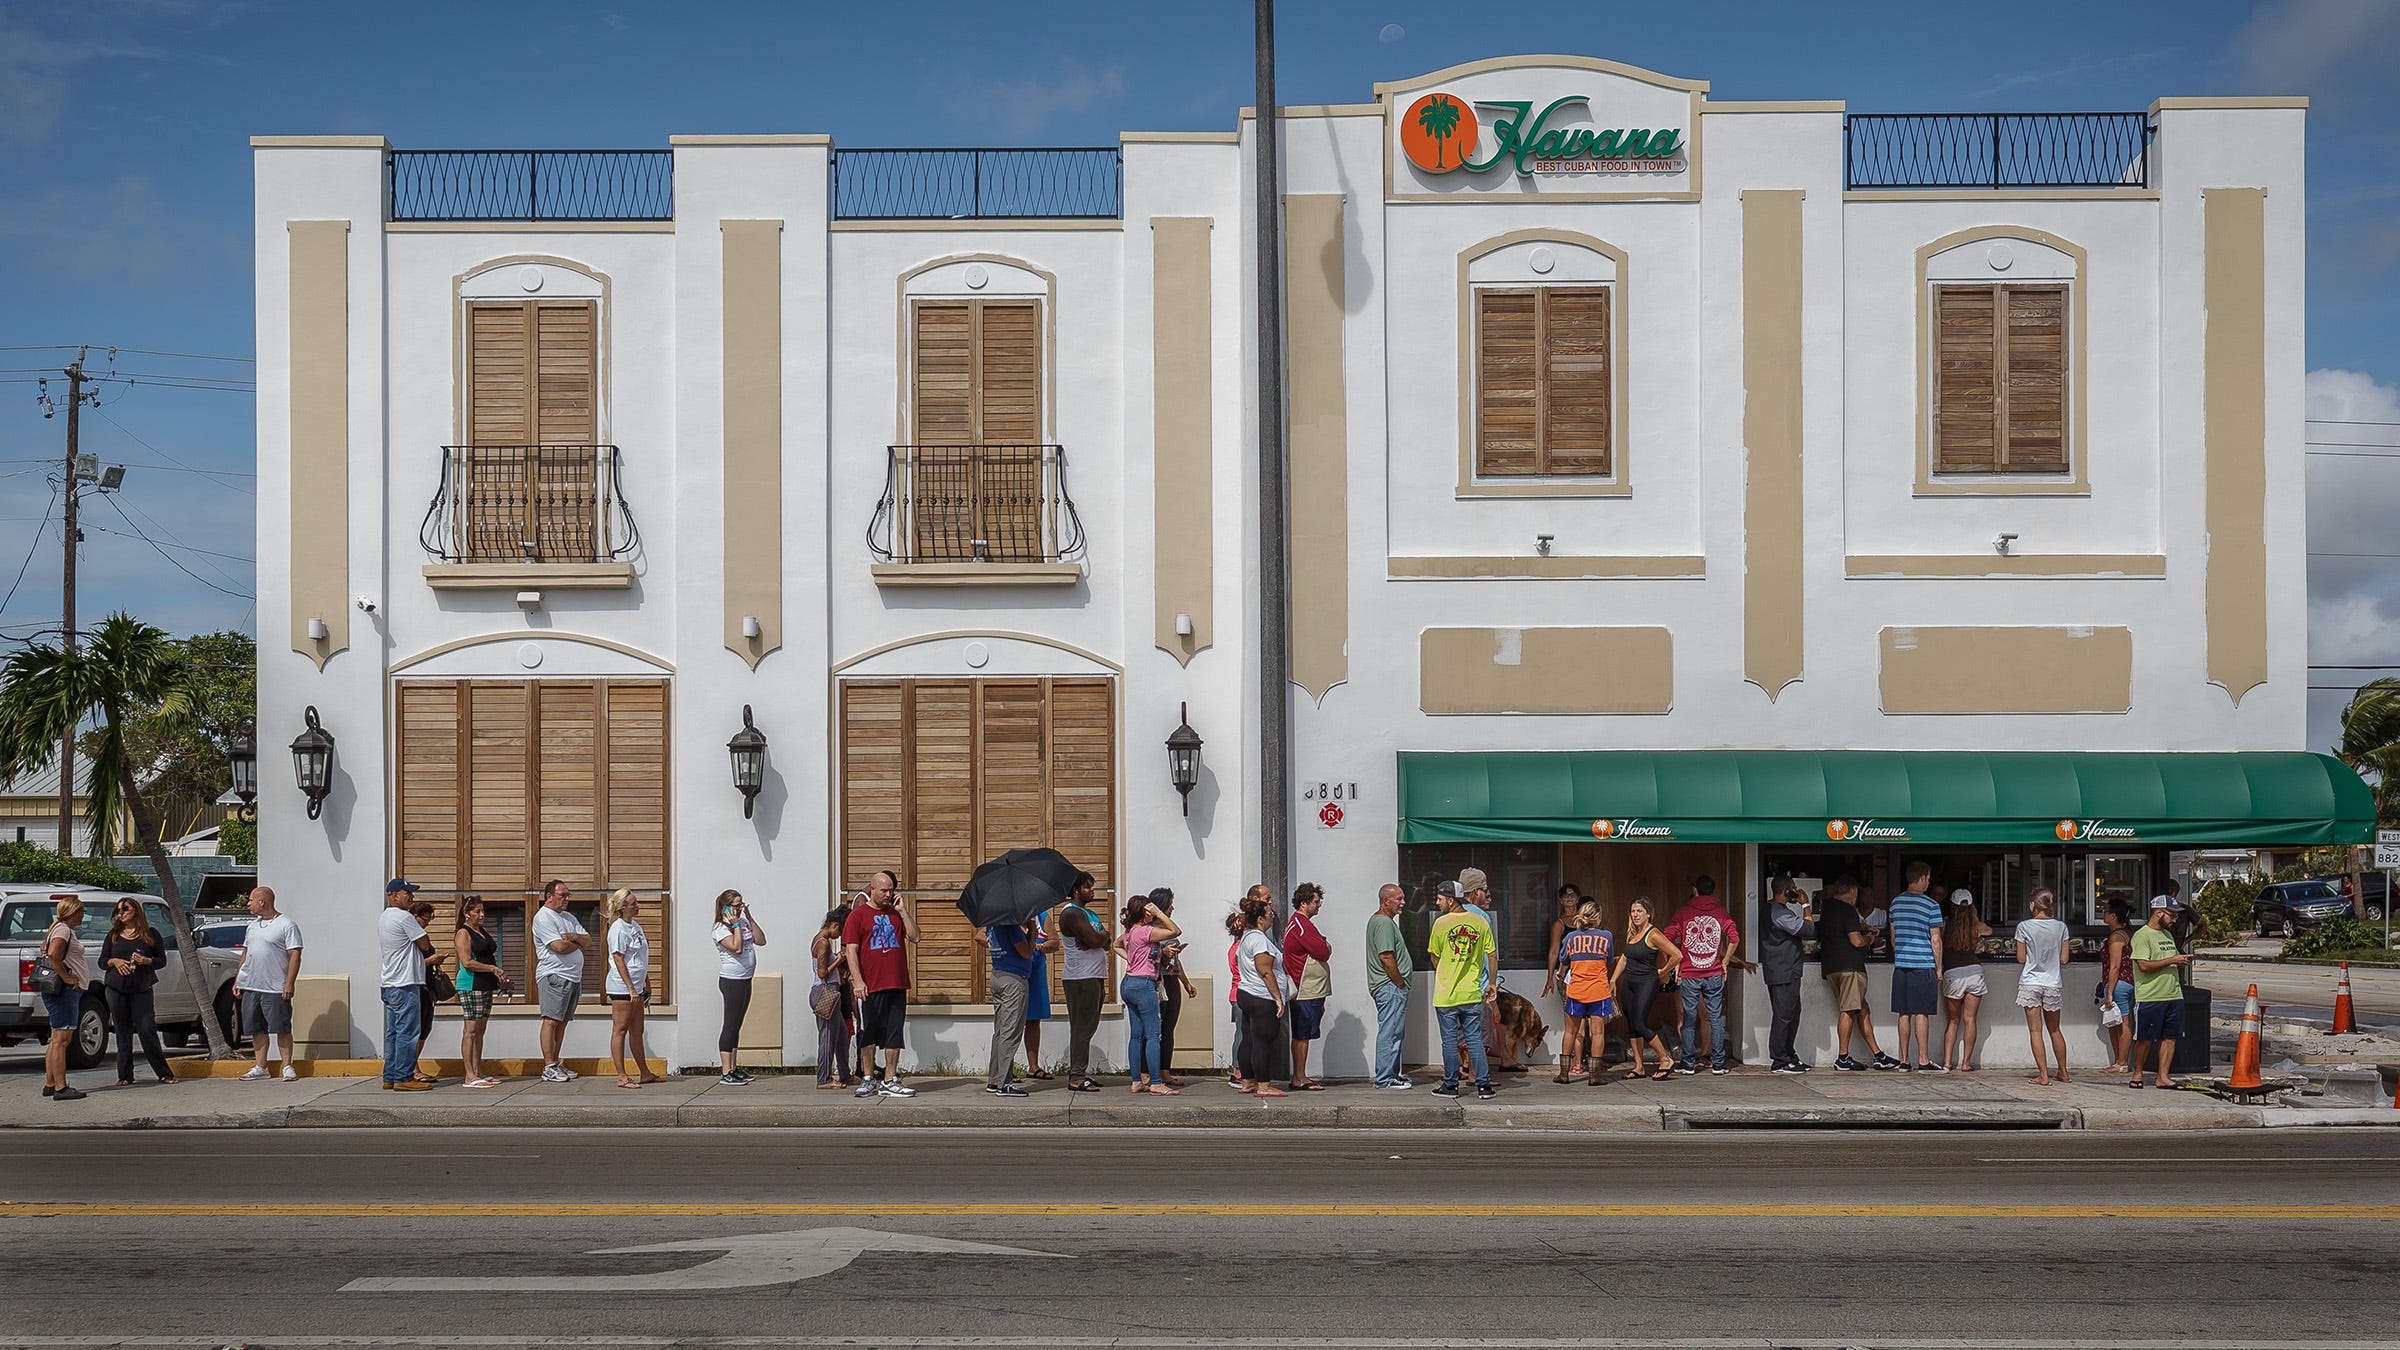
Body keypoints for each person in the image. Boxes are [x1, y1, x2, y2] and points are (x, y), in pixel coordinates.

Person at [844, 870, 917, 1098]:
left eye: (891, 890)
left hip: (896, 983)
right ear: (872, 889)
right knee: (869, 1033)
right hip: (870, 985)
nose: (888, 894)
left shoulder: (896, 914)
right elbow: (851, 950)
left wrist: (903, 912)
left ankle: (889, 1079)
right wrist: (858, 980)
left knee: (894, 1033)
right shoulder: (858, 915)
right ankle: (867, 1077)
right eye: (884, 890)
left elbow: (915, 936)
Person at [1819, 877, 1901, 1071]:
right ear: (1852, 891)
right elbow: (1856, 941)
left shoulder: (1828, 908)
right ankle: (1843, 1057)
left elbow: (1839, 928)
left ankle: (1878, 1055)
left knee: (1862, 1010)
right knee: (1848, 1010)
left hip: (1831, 967)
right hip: (1850, 968)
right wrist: (1869, 938)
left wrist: (1861, 926)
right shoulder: (1847, 909)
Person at [1428, 881, 1496, 1101]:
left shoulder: (1440, 924)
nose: (1437, 903)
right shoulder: (1480, 922)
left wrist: (1448, 972)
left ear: (1451, 899)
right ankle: (1484, 1086)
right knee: (1474, 1039)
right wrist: (1491, 983)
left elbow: (1434, 956)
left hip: (1446, 994)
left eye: (1440, 899)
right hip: (1472, 992)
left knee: (1449, 1041)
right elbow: (1492, 955)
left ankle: (1450, 1085)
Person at [1665, 877, 1739, 1076]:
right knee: (1714, 1019)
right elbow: (1734, 938)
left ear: (1694, 890)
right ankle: (1718, 1064)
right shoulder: (1721, 913)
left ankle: (1688, 1064)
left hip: (1689, 974)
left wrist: (1677, 959)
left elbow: (1666, 937)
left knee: (1689, 1018)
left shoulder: (1683, 913)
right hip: (1714, 973)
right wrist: (1724, 961)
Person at [99, 898, 174, 1088]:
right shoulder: (114, 935)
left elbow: (161, 961)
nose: (121, 913)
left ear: (136, 911)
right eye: (118, 910)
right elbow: (102, 961)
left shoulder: (150, 934)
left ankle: (163, 1073)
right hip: (116, 988)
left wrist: (145, 961)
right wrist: (114, 961)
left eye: (125, 909)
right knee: (122, 1032)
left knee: (146, 1029)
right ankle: (125, 1075)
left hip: (141, 987)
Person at [231, 886, 302, 1082]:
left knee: (282, 1026)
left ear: (262, 902)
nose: (248, 904)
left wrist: (289, 983)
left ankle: (287, 1065)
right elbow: (246, 952)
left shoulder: (286, 924)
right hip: (252, 985)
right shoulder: (252, 926)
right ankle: (260, 1066)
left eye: (251, 900)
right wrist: (239, 978)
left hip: (275, 986)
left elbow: (295, 954)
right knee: (256, 1028)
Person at [1117, 894, 1183, 1094]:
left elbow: (1115, 945)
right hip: (1144, 984)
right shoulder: (1146, 932)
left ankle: (1136, 1080)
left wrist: (1131, 959)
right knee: (1154, 1035)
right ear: (1143, 912)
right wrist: (1159, 913)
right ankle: (1156, 1082)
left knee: (1136, 1036)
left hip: (1128, 983)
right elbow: (1175, 930)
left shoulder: (1130, 932)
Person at [1612, 898, 1681, 1081]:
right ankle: (1639, 1066)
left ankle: (1665, 1059)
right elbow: (1625, 959)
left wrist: (1662, 971)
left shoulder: (1654, 934)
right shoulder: (1633, 934)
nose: (1635, 914)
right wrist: (1613, 980)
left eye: (1639, 911)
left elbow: (1677, 955)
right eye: (1633, 911)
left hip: (1646, 982)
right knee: (1632, 1025)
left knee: (1640, 1022)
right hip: (1628, 982)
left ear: (1648, 913)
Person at [2127, 895, 2192, 1089]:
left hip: (2173, 993)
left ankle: (2163, 1076)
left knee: (2170, 1037)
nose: (2174, 921)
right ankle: (2137, 1073)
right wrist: (2172, 961)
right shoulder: (2142, 935)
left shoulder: (2167, 935)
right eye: (2172, 916)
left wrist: (2179, 960)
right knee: (2145, 1038)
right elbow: (2144, 965)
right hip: (2150, 996)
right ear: (2159, 913)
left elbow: (2167, 959)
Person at [532, 879, 592, 1084]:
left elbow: (589, 940)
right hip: (554, 975)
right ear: (549, 896)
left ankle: (555, 1062)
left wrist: (574, 937)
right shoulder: (543, 918)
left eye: (568, 895)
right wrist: (577, 941)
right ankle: (548, 1066)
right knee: (551, 1020)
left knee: (563, 1022)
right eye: (562, 895)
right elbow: (558, 947)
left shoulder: (568, 917)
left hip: (573, 976)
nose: (567, 899)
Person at [1887, 862, 1945, 1073]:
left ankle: (1904, 1060)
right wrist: (1938, 967)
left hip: (1902, 965)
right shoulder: (1931, 905)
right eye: (1928, 879)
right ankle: (1923, 1059)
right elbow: (1936, 940)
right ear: (1921, 878)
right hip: (1923, 964)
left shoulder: (1895, 903)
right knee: (1922, 1012)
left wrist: (1901, 954)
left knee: (1904, 1012)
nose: (1928, 883)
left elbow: (1893, 938)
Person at [377, 879, 434, 1092]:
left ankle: (390, 1075)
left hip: (390, 982)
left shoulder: (384, 917)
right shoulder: (403, 916)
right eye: (406, 893)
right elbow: (425, 944)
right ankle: (403, 1076)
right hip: (406, 982)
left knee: (393, 1031)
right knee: (408, 1032)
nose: (411, 897)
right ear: (393, 895)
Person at [1229, 893, 1288, 1097]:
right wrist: (1278, 998)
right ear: (1261, 919)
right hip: (1261, 995)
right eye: (1269, 913)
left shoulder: (1246, 937)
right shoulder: (1259, 940)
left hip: (1246, 993)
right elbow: (1265, 970)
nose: (1272, 916)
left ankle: (1248, 1081)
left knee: (1249, 1039)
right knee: (1263, 1040)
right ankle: (1263, 1085)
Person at [1056, 872, 1110, 1092]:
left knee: (1089, 1026)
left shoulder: (1089, 914)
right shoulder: (1071, 914)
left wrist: (1101, 938)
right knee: (1081, 1027)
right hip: (1080, 977)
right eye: (1088, 887)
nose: (1092, 891)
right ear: (1076, 890)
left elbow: (1104, 942)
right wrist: (1100, 937)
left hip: (1095, 975)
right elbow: (1097, 939)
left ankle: (1081, 1071)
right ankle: (1076, 1076)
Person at [1457, 869, 1515, 1071]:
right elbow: (1489, 956)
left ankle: (1457, 1071)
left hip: (1451, 987)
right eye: (1485, 890)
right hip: (1477, 986)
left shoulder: (1448, 915)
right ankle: (1476, 1073)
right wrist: (1492, 986)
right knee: (1477, 1032)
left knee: (1455, 1034)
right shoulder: (1481, 917)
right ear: (1476, 892)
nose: (1487, 894)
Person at [1552, 902, 1616, 1085]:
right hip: (1599, 991)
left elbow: (1564, 959)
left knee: (1570, 1032)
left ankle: (1564, 1074)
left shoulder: (1571, 937)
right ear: (1598, 918)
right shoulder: (1606, 937)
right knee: (1598, 1033)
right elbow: (1609, 959)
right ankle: (1594, 1076)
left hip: (1576, 990)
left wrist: (1561, 971)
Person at [603, 889, 660, 1088]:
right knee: (621, 1029)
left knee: (637, 1030)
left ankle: (644, 1072)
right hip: (622, 987)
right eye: (633, 903)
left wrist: (646, 982)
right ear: (623, 907)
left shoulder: (635, 926)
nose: (637, 906)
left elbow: (640, 958)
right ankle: (622, 1076)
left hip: (637, 985)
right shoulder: (618, 929)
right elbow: (618, 959)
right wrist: (630, 989)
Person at [2015, 887, 2072, 1085]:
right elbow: (2064, 959)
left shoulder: (2024, 927)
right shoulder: (2061, 927)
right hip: (2053, 983)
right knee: (2055, 1029)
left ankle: (2044, 1075)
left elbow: (2021, 958)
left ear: (2033, 905)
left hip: (2031, 982)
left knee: (2035, 1031)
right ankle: (2063, 1072)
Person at [452, 894, 509, 1088]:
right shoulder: (463, 933)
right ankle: (469, 1075)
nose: (481, 914)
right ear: (467, 913)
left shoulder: (481, 931)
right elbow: (467, 961)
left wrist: (497, 973)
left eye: (483, 911)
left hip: (485, 985)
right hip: (471, 985)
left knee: (481, 1030)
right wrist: (492, 969)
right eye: (477, 911)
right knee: (471, 1031)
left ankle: (478, 1071)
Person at [1759, 877, 1815, 1074]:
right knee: (1783, 1016)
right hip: (1783, 970)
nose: (1796, 892)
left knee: (1792, 1014)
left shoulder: (1771, 909)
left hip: (1783, 970)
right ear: (1787, 890)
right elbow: (1808, 930)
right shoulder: (1779, 912)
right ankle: (1780, 1060)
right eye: (1794, 889)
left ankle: (1789, 1055)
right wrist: (1806, 904)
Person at [38, 895, 90, 1101]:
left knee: (56, 1038)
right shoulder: (63, 930)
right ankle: (60, 1087)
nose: (83, 916)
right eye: (81, 912)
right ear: (73, 912)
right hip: (64, 992)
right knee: (62, 1040)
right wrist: (68, 978)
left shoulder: (58, 929)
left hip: (61, 992)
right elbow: (53, 954)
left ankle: (51, 1082)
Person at [711, 890, 765, 1086]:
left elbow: (761, 940)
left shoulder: (741, 922)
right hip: (731, 980)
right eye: (736, 906)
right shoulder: (720, 928)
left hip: (745, 978)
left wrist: (748, 917)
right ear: (725, 907)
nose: (739, 909)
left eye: (741, 905)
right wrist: (734, 924)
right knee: (730, 1024)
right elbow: (737, 947)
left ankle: (733, 1067)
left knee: (737, 1025)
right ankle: (726, 1071)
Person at [1281, 882, 1331, 1090]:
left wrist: (1323, 942)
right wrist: (1325, 943)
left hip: (1308, 988)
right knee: (1302, 1034)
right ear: (1304, 903)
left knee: (1304, 1034)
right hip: (1304, 988)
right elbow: (1323, 950)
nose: (1319, 906)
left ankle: (1300, 1075)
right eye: (1316, 902)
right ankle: (1299, 1077)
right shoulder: (1301, 925)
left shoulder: (1300, 924)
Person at [1366, 882, 1414, 1089]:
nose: (1403, 903)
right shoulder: (1384, 923)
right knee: (1390, 1031)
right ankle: (1385, 1078)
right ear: (1386, 901)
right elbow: (1385, 956)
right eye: (1399, 899)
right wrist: (1399, 982)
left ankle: (1392, 1073)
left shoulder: (1382, 921)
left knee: (1395, 1031)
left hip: (1390, 986)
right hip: (1390, 987)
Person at [984, 912, 1038, 1097]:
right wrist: (1031, 931)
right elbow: (1026, 952)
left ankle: (994, 1079)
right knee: (1011, 1031)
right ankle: (1004, 1083)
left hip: (998, 974)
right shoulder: (1011, 926)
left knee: (1000, 1031)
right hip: (1013, 980)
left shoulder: (993, 924)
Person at [1940, 889, 1993, 1073]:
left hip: (1953, 973)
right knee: (1970, 1020)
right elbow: (1989, 930)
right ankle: (1966, 1063)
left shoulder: (1946, 924)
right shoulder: (1977, 926)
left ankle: (1947, 1062)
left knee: (1953, 1021)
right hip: (1974, 972)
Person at [1152, 890, 1194, 1087]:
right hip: (1157, 981)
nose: (1172, 908)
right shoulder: (1149, 930)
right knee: (1155, 1029)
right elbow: (1143, 954)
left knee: (1169, 1028)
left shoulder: (1168, 928)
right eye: (1170, 904)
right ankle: (1150, 1072)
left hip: (1172, 979)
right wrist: (1162, 952)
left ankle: (1165, 1071)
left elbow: (1177, 961)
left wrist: (1186, 982)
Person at [810, 906, 854, 1090]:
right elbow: (822, 973)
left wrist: (834, 958)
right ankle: (824, 1078)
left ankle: (845, 1074)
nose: (840, 935)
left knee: (842, 1035)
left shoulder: (819, 940)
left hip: (829, 992)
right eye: (841, 931)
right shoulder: (824, 943)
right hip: (824, 991)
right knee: (827, 1036)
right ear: (834, 925)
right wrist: (839, 960)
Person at [2099, 901, 2136, 1074]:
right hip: (2128, 982)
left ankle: (2121, 1062)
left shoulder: (2116, 937)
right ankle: (2119, 1061)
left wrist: (2110, 992)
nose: (2103, 915)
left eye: (2105, 912)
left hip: (2119, 983)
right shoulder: (2128, 934)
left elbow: (2115, 966)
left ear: (2113, 916)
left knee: (2123, 1023)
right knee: (2116, 1023)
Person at [407, 899, 444, 1072]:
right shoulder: (410, 937)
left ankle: (415, 1065)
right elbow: (410, 962)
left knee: (424, 1029)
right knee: (416, 1029)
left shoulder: (420, 935)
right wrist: (431, 960)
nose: (426, 924)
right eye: (424, 920)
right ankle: (412, 1067)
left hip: (427, 987)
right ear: (415, 916)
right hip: (417, 986)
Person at [1023, 910, 1059, 1081]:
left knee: (1033, 1020)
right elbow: (981, 936)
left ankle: (1033, 1066)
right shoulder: (1006, 914)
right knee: (1010, 1022)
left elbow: (1054, 943)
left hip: (1036, 973)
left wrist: (1037, 946)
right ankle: (1005, 1068)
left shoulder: (1042, 916)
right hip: (1014, 973)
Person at [1540, 882, 1586, 1000]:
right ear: (1561, 900)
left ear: (1578, 899)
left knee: (1590, 1012)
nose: (1569, 898)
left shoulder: (1586, 921)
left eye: (1572, 895)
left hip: (1587, 970)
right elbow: (1554, 951)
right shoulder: (1559, 924)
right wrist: (1549, 978)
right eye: (1565, 896)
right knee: (1572, 1010)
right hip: (1567, 972)